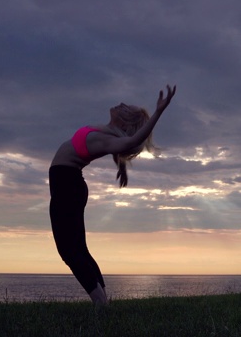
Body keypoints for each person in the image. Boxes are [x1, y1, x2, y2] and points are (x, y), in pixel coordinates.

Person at [49, 84, 177, 306]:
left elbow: (132, 141)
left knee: (69, 251)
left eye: (126, 106)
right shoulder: (106, 132)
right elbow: (124, 142)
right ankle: (103, 301)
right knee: (78, 248)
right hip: (67, 184)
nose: (121, 104)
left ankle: (101, 304)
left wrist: (158, 112)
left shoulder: (108, 139)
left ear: (125, 118)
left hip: (67, 184)